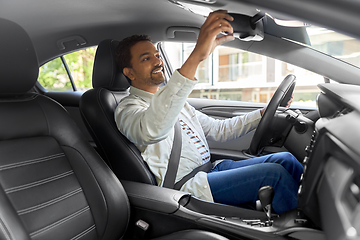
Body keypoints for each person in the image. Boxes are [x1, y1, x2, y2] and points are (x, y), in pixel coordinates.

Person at [114, 10, 303, 214]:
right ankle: (306, 230)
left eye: (157, 55)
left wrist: (264, 114)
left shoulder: (175, 102)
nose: (158, 61)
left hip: (212, 169)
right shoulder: (127, 109)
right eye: (146, 58)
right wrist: (197, 56)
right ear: (129, 72)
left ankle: (318, 213)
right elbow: (152, 129)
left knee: (286, 160)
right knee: (273, 175)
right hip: (188, 186)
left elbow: (219, 129)